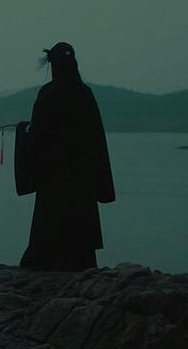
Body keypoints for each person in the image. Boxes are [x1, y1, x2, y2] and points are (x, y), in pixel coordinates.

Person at [14, 42, 116, 271]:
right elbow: (97, 138)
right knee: (81, 231)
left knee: (49, 227)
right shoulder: (85, 93)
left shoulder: (47, 93)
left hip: (52, 177)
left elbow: (38, 136)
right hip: (83, 177)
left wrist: (23, 131)